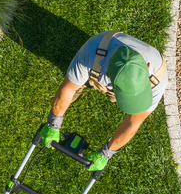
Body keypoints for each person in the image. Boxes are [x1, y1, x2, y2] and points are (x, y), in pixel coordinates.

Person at [39, 31, 168, 171]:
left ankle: (112, 94)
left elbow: (133, 123)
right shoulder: (90, 52)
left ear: (147, 67)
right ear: (107, 76)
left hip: (109, 75)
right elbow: (67, 90)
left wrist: (106, 153)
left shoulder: (158, 76)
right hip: (97, 65)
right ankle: (85, 83)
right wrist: (54, 123)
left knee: (113, 99)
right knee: (75, 86)